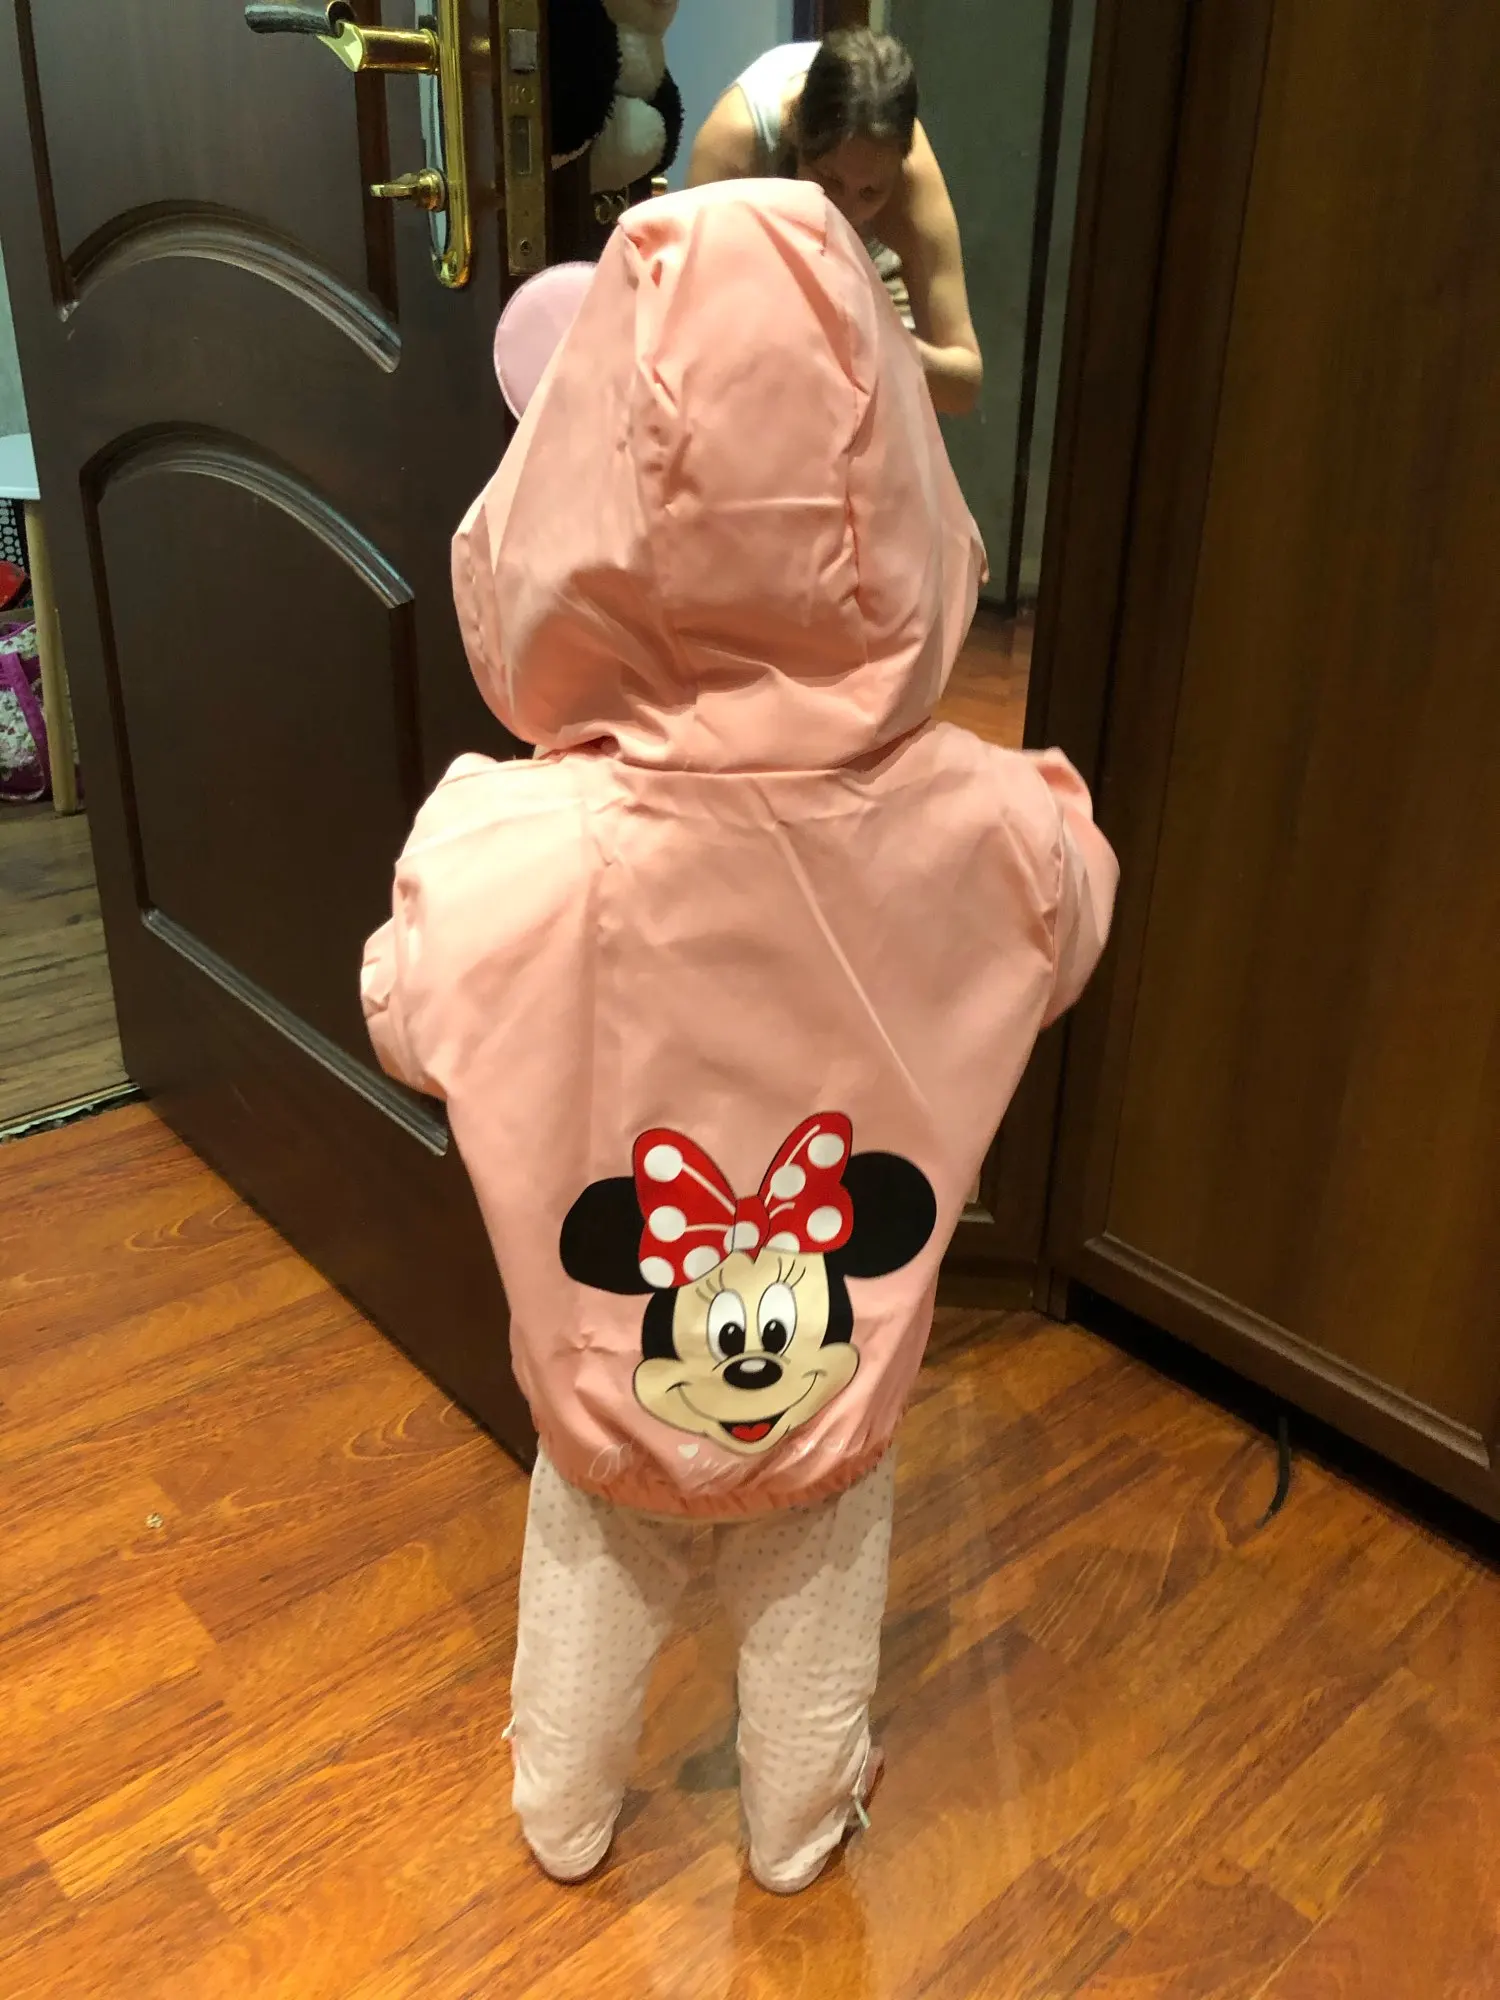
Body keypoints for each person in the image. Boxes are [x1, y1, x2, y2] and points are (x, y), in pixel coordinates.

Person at [361, 178, 1115, 1895]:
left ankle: (564, 1813)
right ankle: (793, 1829)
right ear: (897, 489)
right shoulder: (993, 829)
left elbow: (404, 1010)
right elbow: (1070, 921)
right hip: (839, 1390)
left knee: (591, 1568)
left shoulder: (505, 852)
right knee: (816, 1596)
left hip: (602, 1394)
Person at [687, 29, 983, 416]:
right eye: (830, 181)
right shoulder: (736, 149)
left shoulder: (907, 177)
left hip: (869, 309)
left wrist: (882, 344)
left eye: (870, 192)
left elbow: (962, 385)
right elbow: (690, 347)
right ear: (794, 129)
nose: (845, 213)